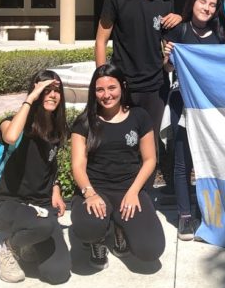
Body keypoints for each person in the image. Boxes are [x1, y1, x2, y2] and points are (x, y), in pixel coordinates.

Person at [94, 0, 176, 191]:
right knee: (122, 143)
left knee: (150, 148)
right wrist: (103, 79)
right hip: (125, 85)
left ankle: (144, 197)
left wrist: (179, 18)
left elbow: (167, 47)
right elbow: (101, 40)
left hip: (155, 87)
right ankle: (119, 193)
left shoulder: (165, 4)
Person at [70, 63, 165, 270]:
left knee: (151, 250)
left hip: (129, 189)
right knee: (88, 227)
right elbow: (77, 165)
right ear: (93, 92)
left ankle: (120, 228)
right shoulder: (84, 122)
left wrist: (133, 192)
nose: (106, 94)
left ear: (122, 86)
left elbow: (150, 159)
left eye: (111, 88)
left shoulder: (139, 116)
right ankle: (99, 240)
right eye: (100, 89)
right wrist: (89, 194)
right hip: (96, 190)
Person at [0, 70, 70, 285]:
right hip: (6, 204)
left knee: (58, 273)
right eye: (45, 90)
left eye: (56, 90)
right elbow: (11, 136)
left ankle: (27, 243)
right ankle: (8, 248)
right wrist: (30, 99)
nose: (52, 94)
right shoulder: (12, 124)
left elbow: (50, 165)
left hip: (39, 206)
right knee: (42, 226)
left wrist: (56, 187)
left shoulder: (55, 131)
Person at [162, 0, 225, 241]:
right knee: (183, 161)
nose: (207, 8)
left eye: (212, 5)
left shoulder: (222, 34)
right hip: (183, 103)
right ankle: (185, 216)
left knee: (213, 160)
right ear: (193, 3)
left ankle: (210, 212)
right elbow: (168, 66)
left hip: (211, 106)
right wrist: (169, 58)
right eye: (203, 2)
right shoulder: (179, 31)